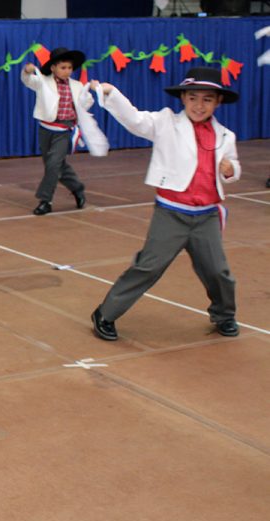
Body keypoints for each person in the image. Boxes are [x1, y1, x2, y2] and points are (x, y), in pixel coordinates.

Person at [90, 67, 241, 341]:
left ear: (218, 102)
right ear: (183, 98)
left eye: (207, 99)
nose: (199, 105)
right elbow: (135, 120)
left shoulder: (225, 136)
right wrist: (112, 95)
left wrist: (231, 170)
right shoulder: (165, 123)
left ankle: (224, 315)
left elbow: (233, 169)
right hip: (171, 213)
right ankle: (105, 313)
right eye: (193, 97)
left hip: (206, 216)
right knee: (149, 266)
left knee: (218, 271)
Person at [21, 47, 91, 216]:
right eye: (63, 68)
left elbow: (86, 103)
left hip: (64, 129)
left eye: (69, 68)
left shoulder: (77, 85)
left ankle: (45, 201)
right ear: (53, 68)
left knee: (53, 164)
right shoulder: (43, 81)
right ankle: (77, 188)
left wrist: (88, 95)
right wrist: (27, 70)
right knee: (55, 166)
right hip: (45, 129)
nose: (67, 71)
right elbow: (28, 80)